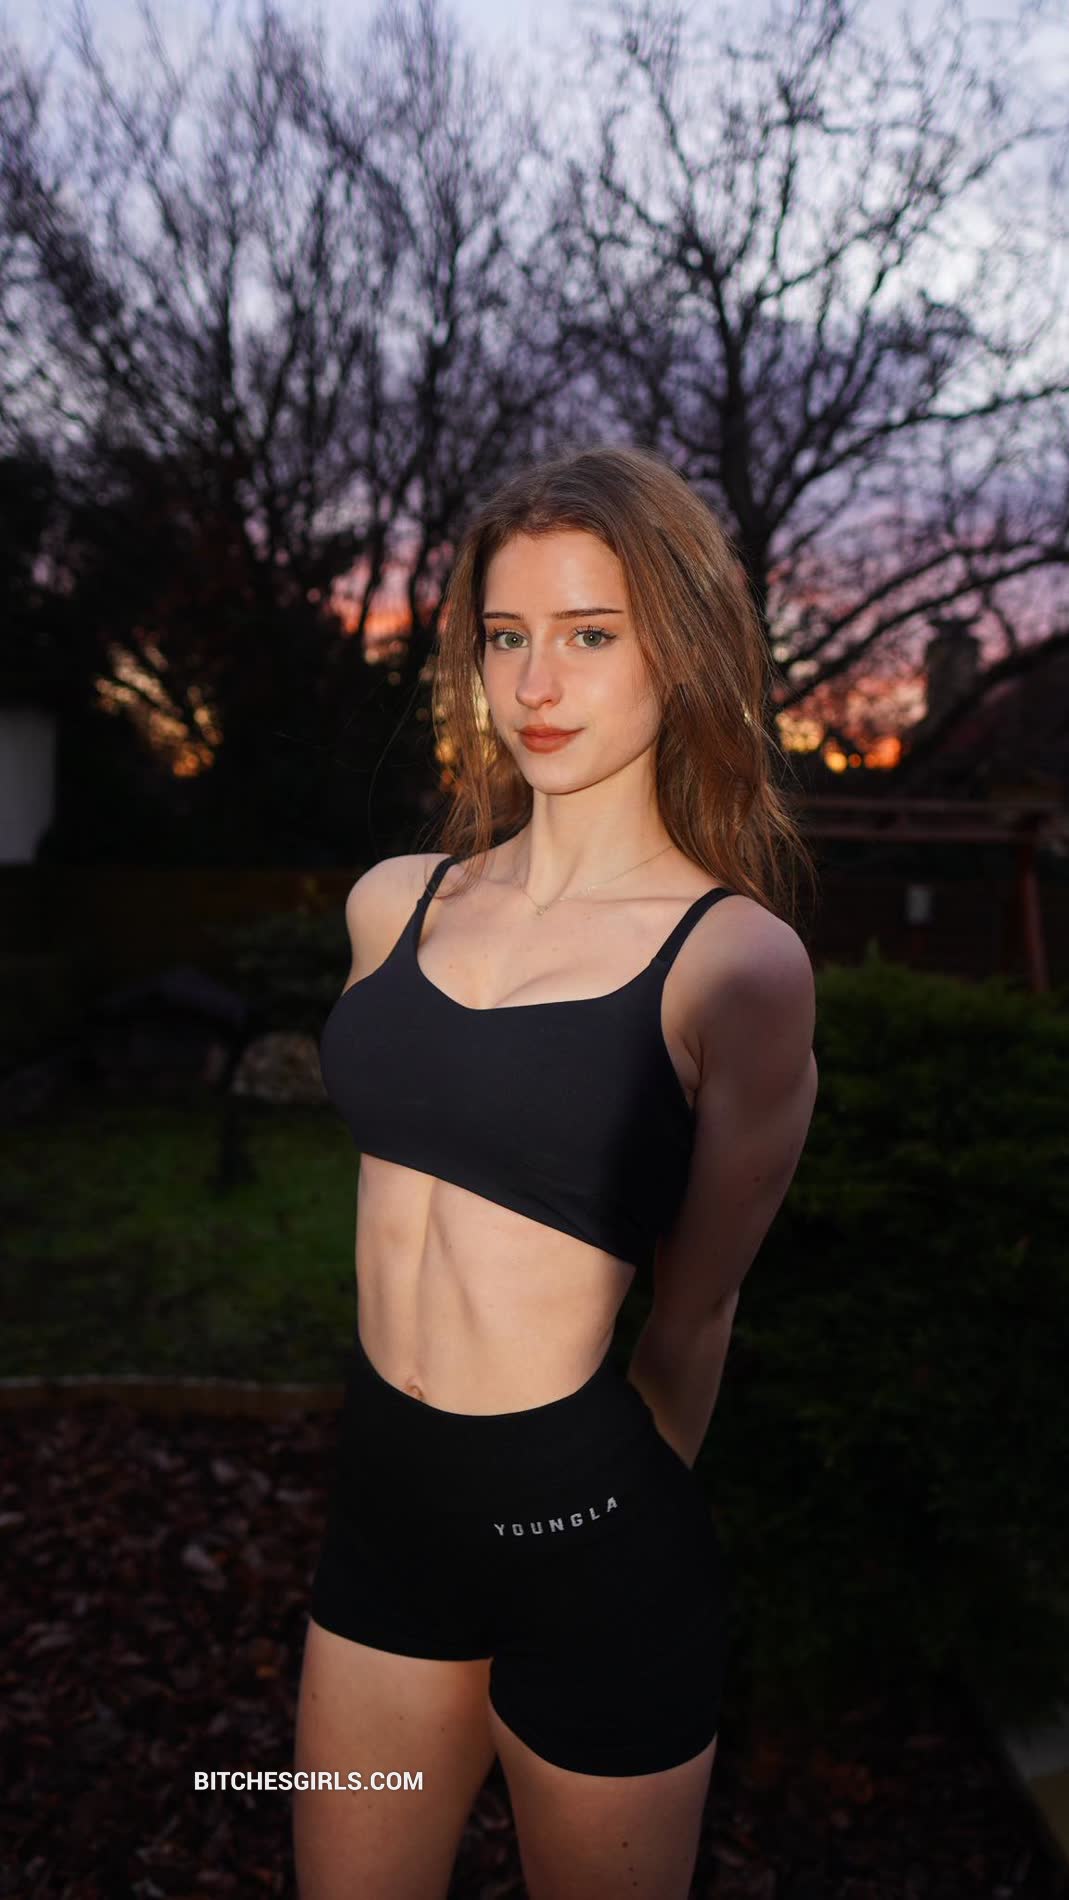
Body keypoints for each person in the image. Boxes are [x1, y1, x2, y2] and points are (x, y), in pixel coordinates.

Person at [293, 443, 819, 1900]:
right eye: (506, 636)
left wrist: (587, 1532)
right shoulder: (392, 905)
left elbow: (695, 1316)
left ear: (680, 651)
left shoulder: (735, 965)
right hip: (382, 1527)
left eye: (590, 636)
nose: (536, 684)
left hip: (589, 1555)